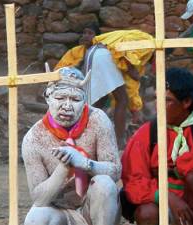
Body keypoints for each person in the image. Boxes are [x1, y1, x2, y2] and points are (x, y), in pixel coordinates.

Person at [120, 68, 193, 225]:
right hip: (158, 199)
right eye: (157, 98)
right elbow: (133, 180)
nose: (159, 105)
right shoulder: (147, 132)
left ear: (186, 102)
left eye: (167, 100)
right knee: (146, 213)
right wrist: (166, 197)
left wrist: (169, 170)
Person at [22, 67, 122, 225]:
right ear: (48, 97)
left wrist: (84, 163)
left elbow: (115, 171)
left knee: (104, 184)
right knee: (36, 217)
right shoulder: (34, 138)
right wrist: (63, 167)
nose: (67, 106)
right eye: (60, 97)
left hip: (95, 207)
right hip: (60, 211)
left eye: (75, 99)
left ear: (84, 102)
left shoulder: (98, 120)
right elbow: (40, 199)